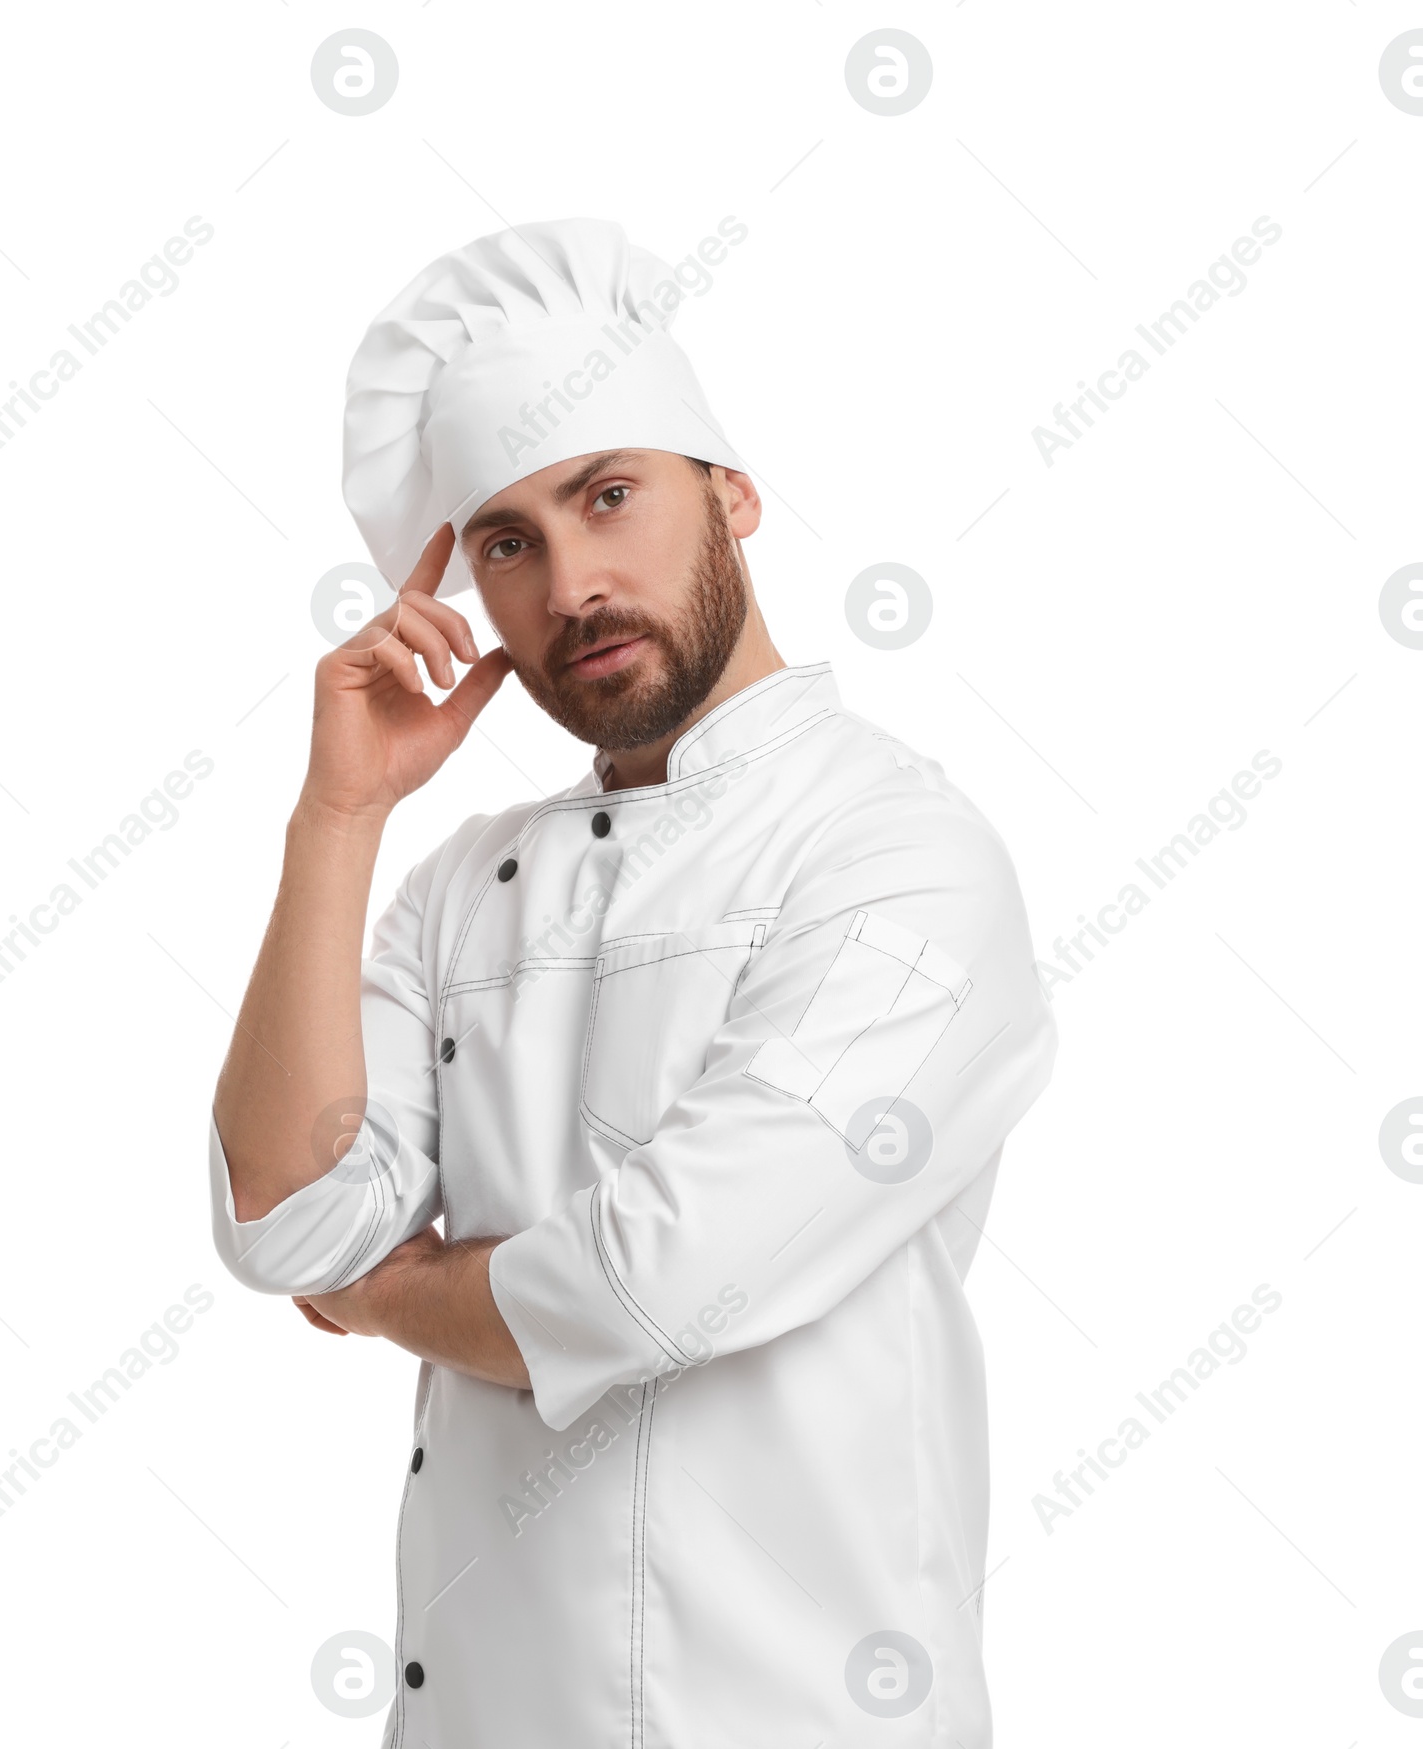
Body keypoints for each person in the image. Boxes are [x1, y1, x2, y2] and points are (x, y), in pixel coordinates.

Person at [208, 217, 1057, 1747]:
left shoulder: (899, 852)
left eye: (610, 496)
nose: (572, 584)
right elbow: (282, 1214)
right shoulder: (459, 881)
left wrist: (385, 1290)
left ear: (732, 493)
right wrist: (339, 818)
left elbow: (656, 1279)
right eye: (508, 541)